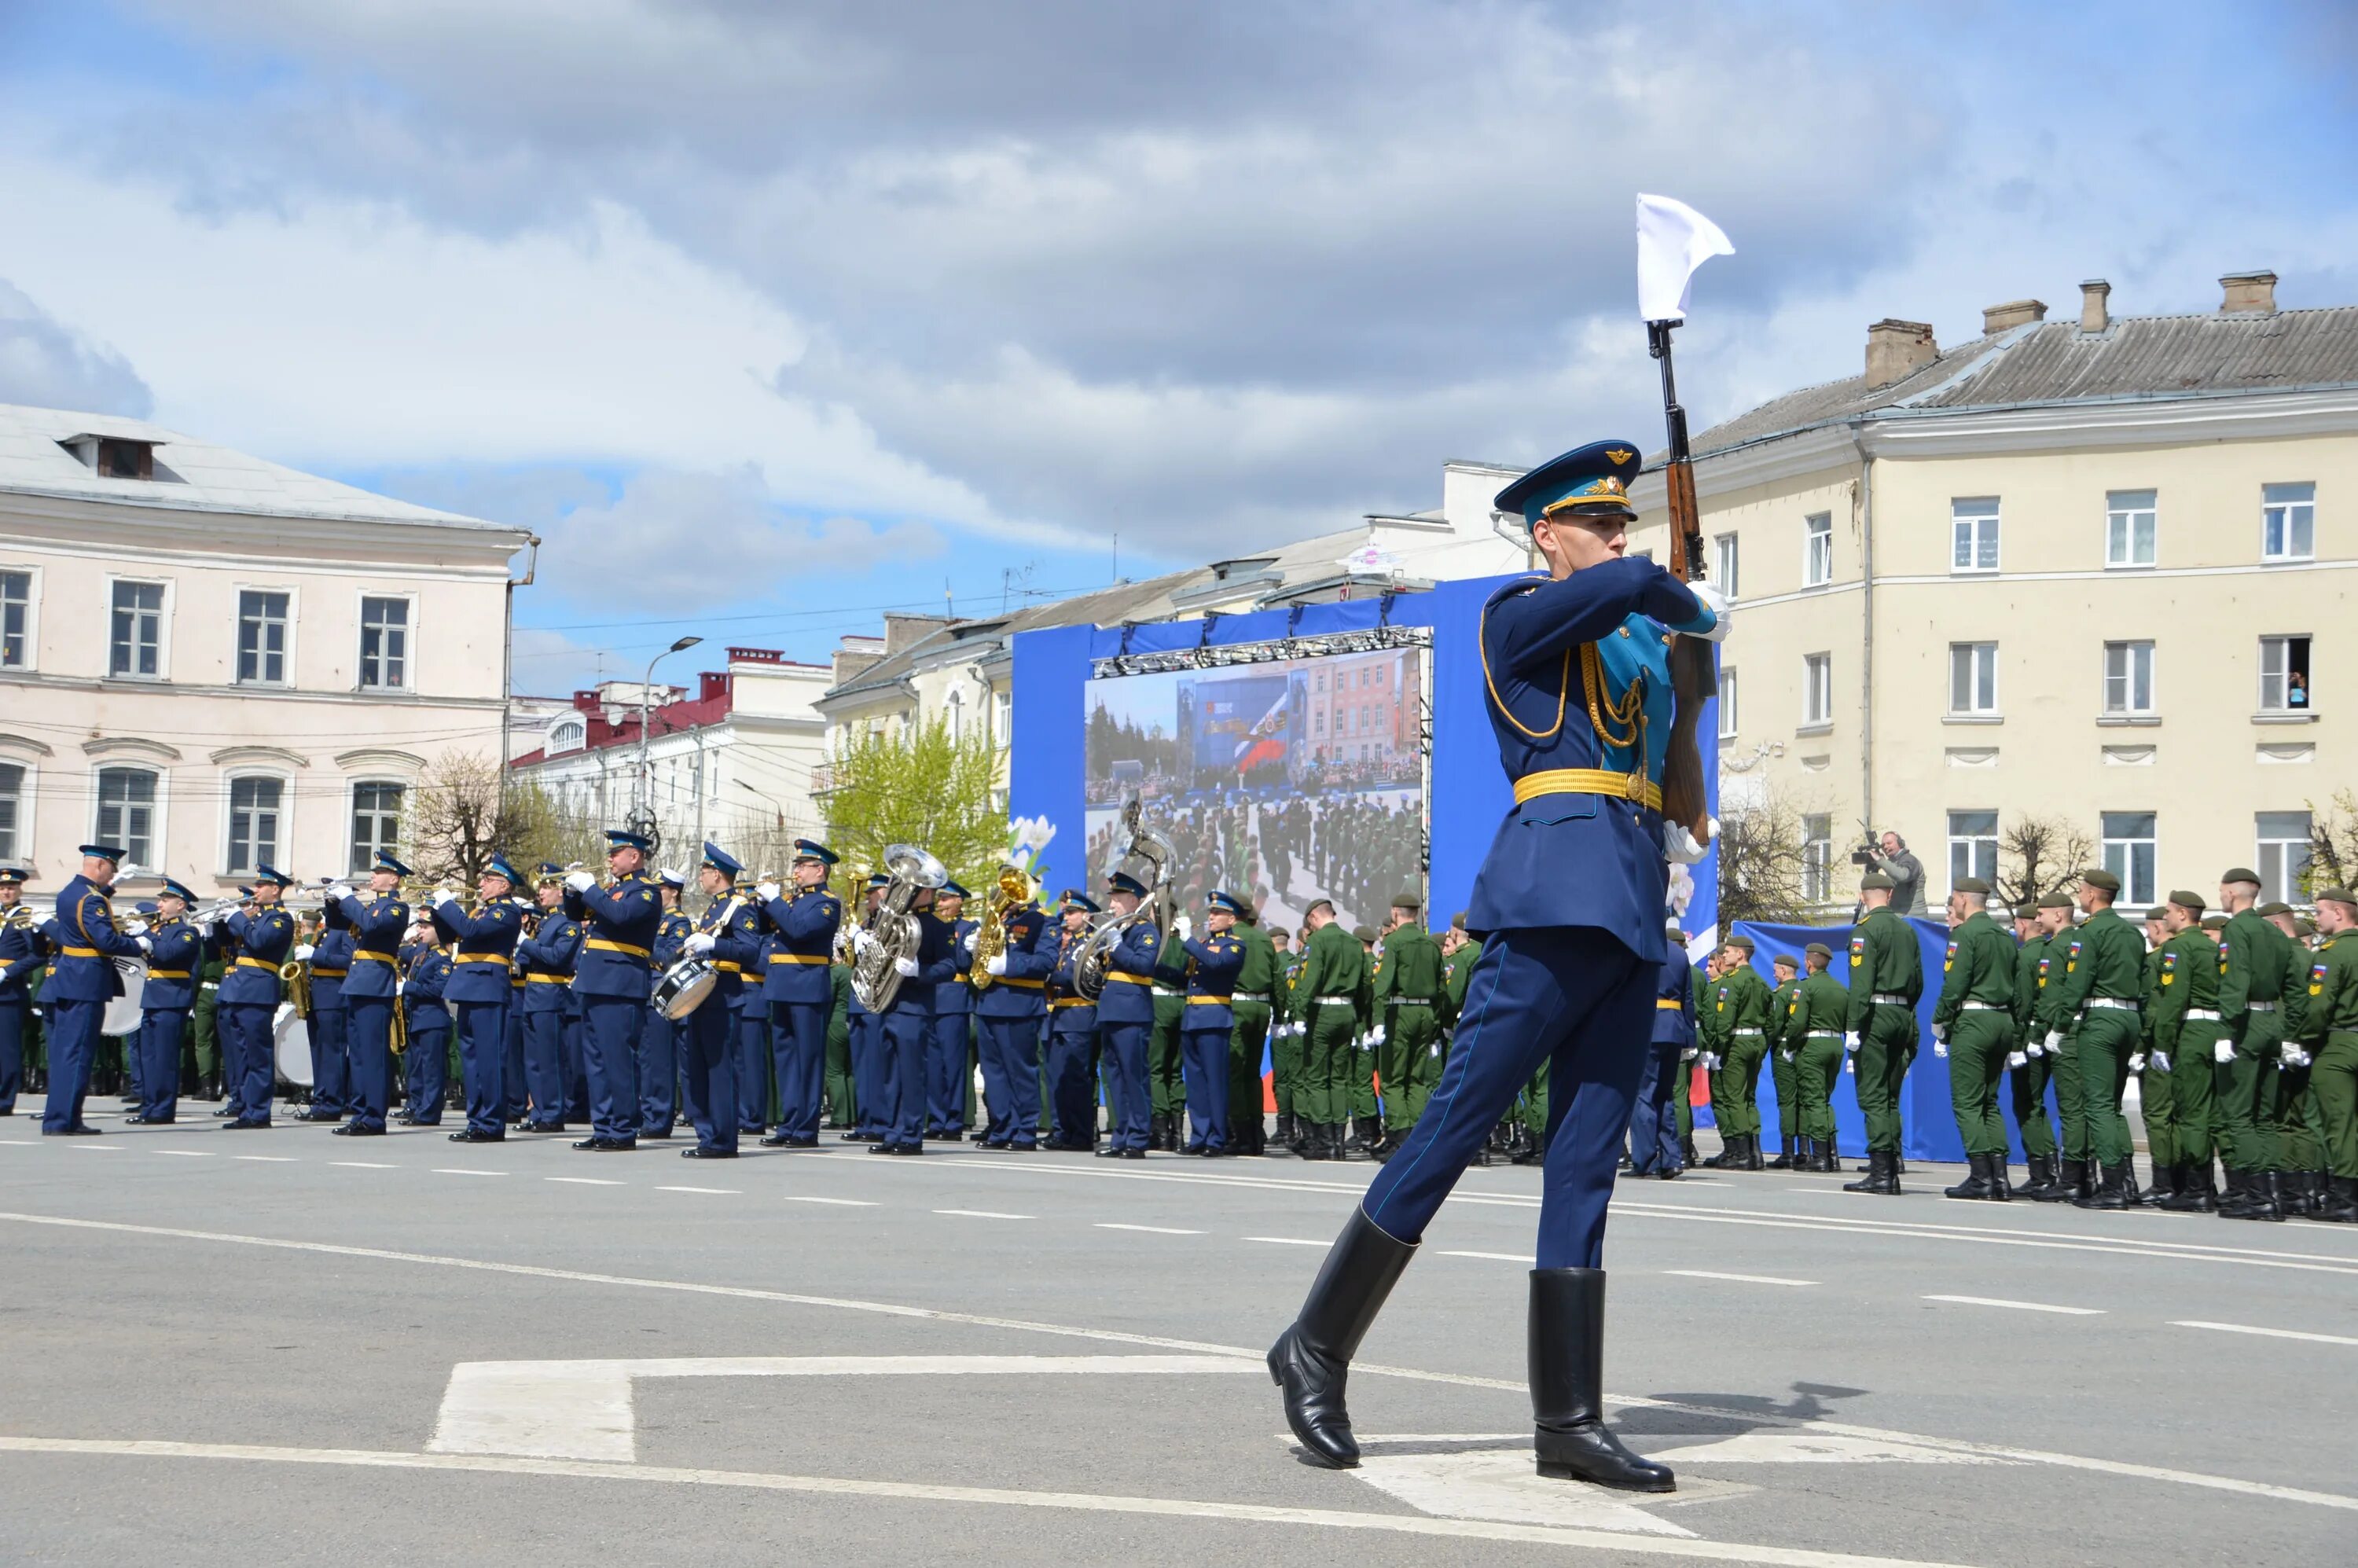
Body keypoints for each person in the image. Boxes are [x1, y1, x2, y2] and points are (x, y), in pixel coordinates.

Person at [1267, 438, 1724, 1490]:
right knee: (1456, 1125)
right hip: (1552, 895)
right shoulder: (1517, 612)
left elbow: (1680, 774)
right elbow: (1624, 591)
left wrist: (1695, 668)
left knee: (1587, 1163)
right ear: (1546, 532)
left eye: (1626, 521)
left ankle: (1568, 1417)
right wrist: (1674, 590)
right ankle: (1317, 1343)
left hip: (1629, 908)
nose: (1618, 533)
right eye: (1598, 521)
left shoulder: (1641, 642)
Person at [2044, 868, 2148, 1210]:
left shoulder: (2088, 933)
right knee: (2112, 1105)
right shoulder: (2132, 933)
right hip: (2130, 1017)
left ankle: (2114, 1186)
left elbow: (2077, 983)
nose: (2079, 894)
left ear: (2091, 894)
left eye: (2081, 890)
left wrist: (2059, 1026)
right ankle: (2125, 1183)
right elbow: (2144, 984)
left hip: (2100, 1019)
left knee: (2098, 1105)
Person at [563, 829, 663, 1151]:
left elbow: (619, 917)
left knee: (618, 1060)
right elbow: (577, 915)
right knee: (596, 1061)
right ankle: (603, 1125)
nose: (609, 859)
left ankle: (622, 1128)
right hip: (595, 982)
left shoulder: (646, 892)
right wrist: (572, 891)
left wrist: (590, 888)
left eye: (615, 853)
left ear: (634, 856)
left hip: (621, 985)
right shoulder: (613, 890)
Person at [428, 857, 527, 1142]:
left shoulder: (506, 911)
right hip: (469, 988)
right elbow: (449, 935)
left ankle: (492, 1122)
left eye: (487, 880)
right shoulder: (481, 912)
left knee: (489, 1059)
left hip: (488, 989)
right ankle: (476, 1119)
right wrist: (438, 911)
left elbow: (471, 933)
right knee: (471, 1060)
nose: (480, 884)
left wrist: (449, 904)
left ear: (503, 885)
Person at [676, 844, 764, 1159]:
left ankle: (724, 1139)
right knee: (699, 1069)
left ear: (717, 873)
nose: (700, 876)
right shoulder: (714, 908)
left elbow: (750, 950)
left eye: (703, 871)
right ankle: (707, 1135)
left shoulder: (739, 907)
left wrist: (714, 943)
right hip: (702, 995)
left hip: (724, 996)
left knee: (720, 1071)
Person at [2215, 867, 2293, 1220]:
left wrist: (2225, 1031)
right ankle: (2274, 1192)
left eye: (2222, 891)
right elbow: (2294, 986)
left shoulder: (2237, 928)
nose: (2221, 896)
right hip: (2272, 1023)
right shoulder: (2273, 931)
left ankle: (2257, 1195)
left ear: (2232, 894)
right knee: (2265, 1116)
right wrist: (2289, 1032)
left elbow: (2236, 980)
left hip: (2245, 1024)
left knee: (2239, 1113)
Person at [1932, 876, 2016, 1200]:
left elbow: (1955, 984)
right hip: (2002, 1020)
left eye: (1954, 899)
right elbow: (2019, 986)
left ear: (1964, 899)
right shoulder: (2005, 936)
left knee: (1967, 1101)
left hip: (1974, 1020)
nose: (1953, 904)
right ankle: (2001, 1178)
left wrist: (1940, 1019)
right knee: (1990, 1101)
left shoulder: (1965, 934)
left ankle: (1980, 1177)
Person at [756, 840, 844, 1149]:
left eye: (801, 866)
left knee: (808, 1060)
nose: (795, 871)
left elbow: (800, 931)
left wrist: (775, 901)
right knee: (786, 1061)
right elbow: (763, 929)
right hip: (781, 985)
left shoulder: (827, 903)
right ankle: (789, 1123)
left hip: (806, 987)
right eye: (796, 866)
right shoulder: (793, 900)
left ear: (819, 870)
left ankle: (806, 1129)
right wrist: (760, 902)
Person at [322, 854, 412, 1137]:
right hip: (359, 981)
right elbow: (339, 925)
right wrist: (334, 901)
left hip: (375, 983)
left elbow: (372, 926)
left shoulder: (397, 908)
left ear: (394, 879)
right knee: (358, 1054)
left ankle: (374, 1117)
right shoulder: (371, 906)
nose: (373, 875)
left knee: (372, 1054)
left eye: (380, 872)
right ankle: (360, 1112)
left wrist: (348, 898)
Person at [1843, 870, 1921, 1195]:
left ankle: (1880, 1174)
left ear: (1864, 897)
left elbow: (1861, 985)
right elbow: (1918, 981)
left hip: (1874, 1014)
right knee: (1890, 1098)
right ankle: (1892, 1170)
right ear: (1889, 895)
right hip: (1902, 1012)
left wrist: (1852, 1027)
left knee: (1873, 1095)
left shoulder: (1865, 930)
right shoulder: (1907, 931)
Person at [1090, 870, 1166, 1159]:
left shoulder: (1145, 931)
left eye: (1117, 900)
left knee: (1134, 1077)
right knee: (1115, 1079)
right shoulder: (1120, 932)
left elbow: (1144, 965)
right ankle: (1121, 1135)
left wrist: (1118, 947)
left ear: (1133, 900)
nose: (1112, 906)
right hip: (1111, 1011)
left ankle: (1137, 1138)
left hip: (1132, 1012)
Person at [216, 866, 299, 1130]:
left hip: (258, 992)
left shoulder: (280, 919)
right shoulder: (257, 916)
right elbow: (225, 942)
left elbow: (259, 941)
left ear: (275, 889)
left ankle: (259, 1112)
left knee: (257, 1054)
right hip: (240, 990)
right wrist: (219, 921)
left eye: (261, 886)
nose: (256, 890)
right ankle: (245, 1106)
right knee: (241, 1054)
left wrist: (239, 918)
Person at [2297, 886, 2358, 1223]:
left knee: (2340, 1123)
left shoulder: (2332, 954)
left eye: (2319, 911)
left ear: (2338, 912)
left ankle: (2347, 1198)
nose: (2316, 917)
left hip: (2339, 1044)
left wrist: (2300, 1039)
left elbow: (2319, 1007)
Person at [1371, 893, 1445, 1159]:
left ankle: (1398, 1135)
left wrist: (1377, 1021)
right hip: (1425, 1012)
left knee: (1392, 1077)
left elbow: (1383, 983)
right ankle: (1416, 1135)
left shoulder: (1395, 942)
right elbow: (1441, 987)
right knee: (1416, 1077)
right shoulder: (1429, 944)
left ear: (1395, 912)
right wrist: (1435, 1025)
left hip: (1400, 1011)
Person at [1291, 900, 1366, 1162]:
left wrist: (1299, 1012)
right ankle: (1338, 1142)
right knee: (1339, 1078)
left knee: (1316, 1077)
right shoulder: (1353, 942)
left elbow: (1310, 979)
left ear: (1314, 917)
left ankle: (1324, 1142)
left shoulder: (1318, 941)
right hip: (1347, 1012)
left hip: (1322, 1012)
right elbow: (1365, 983)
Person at [1175, 890, 1247, 1155]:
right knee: (1194, 1083)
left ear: (1232, 920)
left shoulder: (1234, 945)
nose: (1212, 917)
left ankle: (1217, 1138)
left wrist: (1188, 940)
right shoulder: (1203, 943)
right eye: (1211, 913)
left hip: (1214, 1017)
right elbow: (1184, 978)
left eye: (1218, 913)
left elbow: (1217, 964)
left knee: (1214, 1082)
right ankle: (1199, 1136)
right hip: (1192, 1018)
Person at [513, 867, 581, 1132]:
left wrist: (524, 943)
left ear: (560, 891)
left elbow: (556, 957)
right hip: (533, 995)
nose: (539, 892)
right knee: (533, 1060)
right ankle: (539, 1113)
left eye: (546, 886)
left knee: (550, 1059)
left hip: (551, 996)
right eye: (539, 886)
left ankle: (553, 1113)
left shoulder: (569, 922)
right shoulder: (546, 923)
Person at [1627, 920, 1691, 1178]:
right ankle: (1672, 1159)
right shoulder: (1679, 953)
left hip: (1648, 1026)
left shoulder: (1641, 946)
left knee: (1643, 1096)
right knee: (1665, 1095)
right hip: (1674, 1028)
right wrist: (1690, 1039)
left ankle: (1645, 1160)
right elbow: (1688, 997)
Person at [1705, 935, 1770, 1170]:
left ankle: (1742, 1154)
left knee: (1734, 1097)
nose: (1724, 956)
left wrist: (1717, 1046)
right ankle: (1755, 1152)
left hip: (1737, 1041)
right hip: (1757, 1040)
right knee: (1749, 1097)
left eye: (1728, 953)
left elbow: (1725, 1019)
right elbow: (1770, 1019)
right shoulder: (1761, 981)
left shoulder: (1732, 982)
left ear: (1740, 954)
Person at [1044, 892, 1102, 1150]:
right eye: (1065, 913)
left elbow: (1070, 976)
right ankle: (1064, 1130)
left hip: (1079, 1015)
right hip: (1060, 1015)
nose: (1066, 917)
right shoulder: (1068, 945)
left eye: (1071, 913)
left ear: (1086, 916)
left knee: (1077, 1078)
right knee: (1059, 1077)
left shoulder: (1089, 943)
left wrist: (1043, 971)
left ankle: (1081, 1134)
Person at [1225, 894, 1278, 1157]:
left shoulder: (1231, 936)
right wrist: (1278, 1015)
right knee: (1253, 1073)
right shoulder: (1264, 939)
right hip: (1262, 1008)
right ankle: (1257, 1132)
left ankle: (1241, 1133)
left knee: (1235, 1071)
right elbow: (1277, 978)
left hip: (1237, 1005)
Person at [642, 869, 691, 1137]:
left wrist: (642, 946)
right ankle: (648, 1113)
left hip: (662, 992)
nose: (656, 894)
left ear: (674, 892)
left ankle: (659, 1118)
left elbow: (671, 958)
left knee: (659, 1060)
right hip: (644, 990)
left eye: (661, 890)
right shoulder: (653, 921)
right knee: (646, 1059)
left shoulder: (679, 923)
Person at [1791, 942, 1848, 1170]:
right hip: (1835, 1043)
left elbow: (1797, 1022)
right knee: (1824, 1100)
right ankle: (1832, 1155)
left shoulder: (1806, 987)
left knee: (1813, 1101)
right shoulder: (1840, 988)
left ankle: (1821, 1157)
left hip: (1812, 1045)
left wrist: (1792, 1046)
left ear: (1808, 962)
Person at [299, 898, 353, 1123]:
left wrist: (315, 955)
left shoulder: (345, 932)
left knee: (332, 1053)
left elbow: (349, 960)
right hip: (319, 997)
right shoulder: (327, 933)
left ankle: (332, 1103)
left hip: (334, 997)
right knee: (318, 1052)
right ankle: (321, 1099)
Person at [402, 927, 453, 1126]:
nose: (420, 931)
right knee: (417, 1069)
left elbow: (439, 989)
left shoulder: (442, 958)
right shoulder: (424, 955)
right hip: (417, 1019)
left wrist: (408, 987)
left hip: (432, 1020)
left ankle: (429, 1112)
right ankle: (418, 1107)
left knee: (432, 1070)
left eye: (425, 927)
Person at [0, 867, 36, 1116]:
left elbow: (37, 955)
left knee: (8, 1049)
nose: (6, 891)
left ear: (20, 889)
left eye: (11, 887)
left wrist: (8, 972)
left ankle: (4, 1100)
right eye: (2, 888)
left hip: (9, 991)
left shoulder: (24, 917)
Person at [1763, 952, 1802, 1169]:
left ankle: (1788, 1152)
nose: (1774, 973)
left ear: (1784, 970)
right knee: (1804, 1100)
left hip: (1783, 1047)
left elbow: (1774, 1024)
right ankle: (1805, 1151)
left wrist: (1764, 1045)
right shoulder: (1803, 989)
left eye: (1776, 969)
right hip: (1802, 1048)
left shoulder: (1781, 993)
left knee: (1786, 1101)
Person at [1866, 832, 1927, 916]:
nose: (1886, 847)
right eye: (1883, 845)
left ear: (1900, 843)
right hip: (1899, 915)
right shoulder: (1892, 863)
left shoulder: (1909, 860)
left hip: (1913, 918)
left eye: (1889, 843)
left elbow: (1902, 876)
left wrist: (1879, 860)